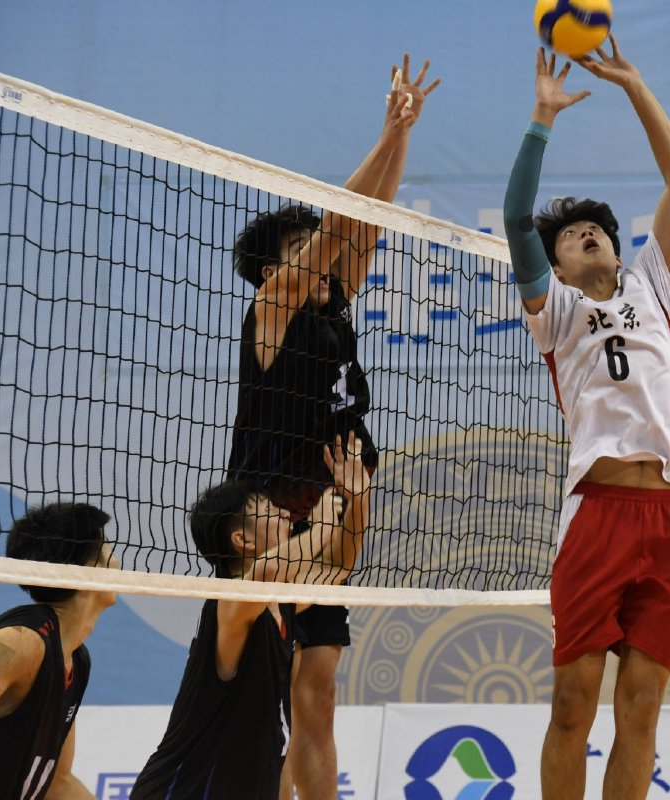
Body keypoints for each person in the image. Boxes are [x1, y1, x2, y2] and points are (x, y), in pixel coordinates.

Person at [224, 55, 437, 799]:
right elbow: (341, 222)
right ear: (273, 270)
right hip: (264, 516)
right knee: (261, 699)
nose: (326, 258)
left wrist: (401, 132)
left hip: (329, 503)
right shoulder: (272, 309)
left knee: (317, 691)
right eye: (305, 250)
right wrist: (386, 132)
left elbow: (365, 225)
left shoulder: (332, 304)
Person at [502, 40, 670, 799]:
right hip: (599, 514)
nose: (588, 234)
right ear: (555, 267)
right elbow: (517, 216)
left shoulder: (653, 285)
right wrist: (542, 118)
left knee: (641, 708)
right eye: (572, 235)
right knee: (572, 705)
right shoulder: (555, 312)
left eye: (598, 230)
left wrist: (635, 86)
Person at [131, 436, 370, 800]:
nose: (286, 514)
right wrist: (322, 527)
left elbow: (338, 565)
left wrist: (359, 499)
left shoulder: (283, 602)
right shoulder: (229, 602)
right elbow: (266, 572)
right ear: (243, 540)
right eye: (270, 510)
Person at [0, 503, 118, 799]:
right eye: (109, 551)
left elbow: (58, 782)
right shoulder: (21, 643)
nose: (117, 563)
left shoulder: (75, 658)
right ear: (87, 570)